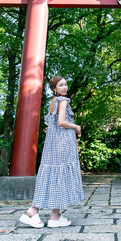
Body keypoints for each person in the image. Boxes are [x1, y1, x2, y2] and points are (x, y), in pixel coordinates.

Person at [19, 75, 84, 228]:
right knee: (60, 175)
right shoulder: (63, 101)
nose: (65, 87)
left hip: (53, 144)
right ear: (54, 88)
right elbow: (61, 122)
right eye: (61, 85)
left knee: (54, 176)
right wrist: (75, 126)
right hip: (62, 143)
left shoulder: (53, 101)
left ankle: (54, 216)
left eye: (66, 85)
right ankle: (34, 211)